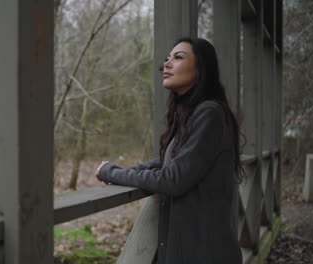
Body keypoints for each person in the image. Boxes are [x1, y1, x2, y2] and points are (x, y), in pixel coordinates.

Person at [95, 37, 244, 264]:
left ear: (201, 69)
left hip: (205, 253)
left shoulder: (209, 113)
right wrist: (119, 170)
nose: (167, 64)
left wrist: (112, 173)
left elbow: (173, 179)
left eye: (178, 57)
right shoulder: (190, 114)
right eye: (167, 59)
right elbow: (165, 162)